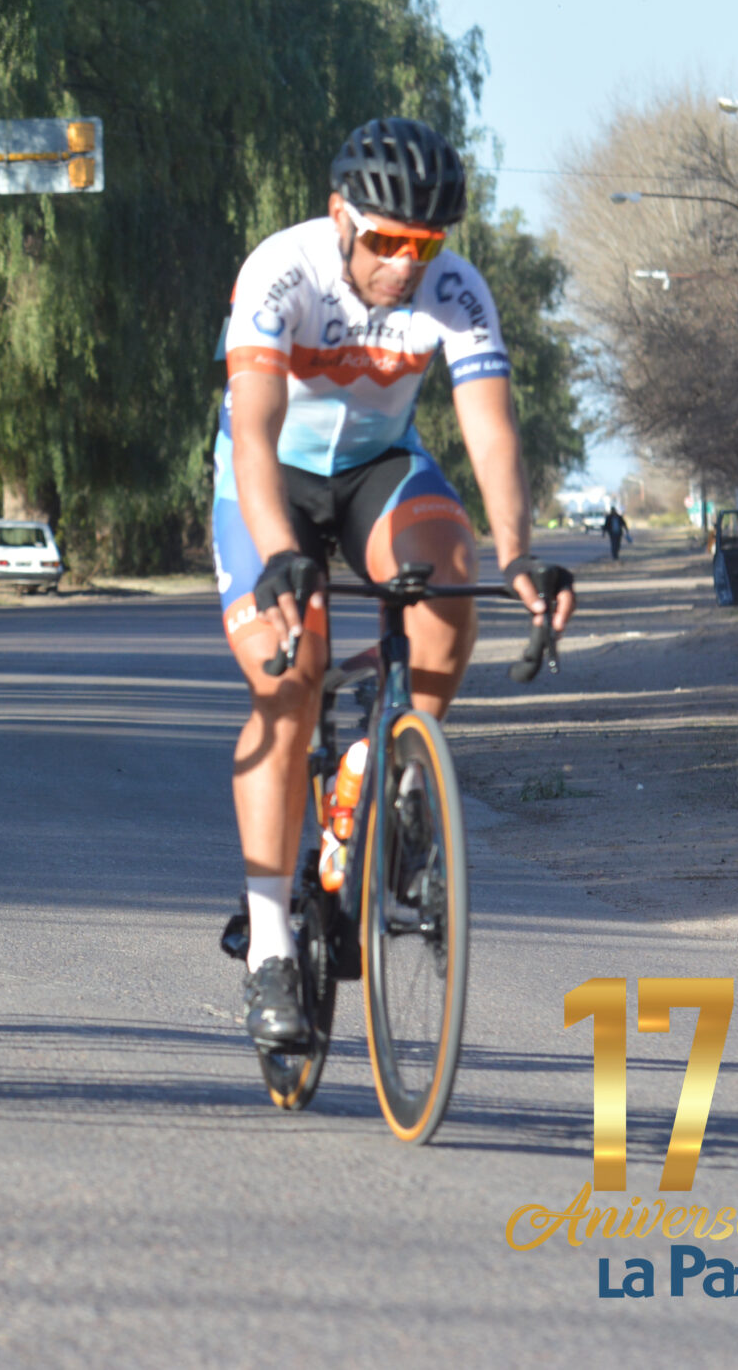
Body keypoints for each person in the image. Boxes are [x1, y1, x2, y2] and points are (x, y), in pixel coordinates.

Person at [212, 117, 575, 1048]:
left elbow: (488, 429)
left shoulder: (456, 290)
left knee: (450, 587)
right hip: (271, 478)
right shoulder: (281, 272)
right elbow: (252, 431)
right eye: (386, 243)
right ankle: (269, 949)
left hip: (378, 469)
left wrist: (519, 557)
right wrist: (279, 550)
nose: (405, 265)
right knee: (291, 681)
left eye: (425, 244)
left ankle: (393, 772)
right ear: (340, 216)